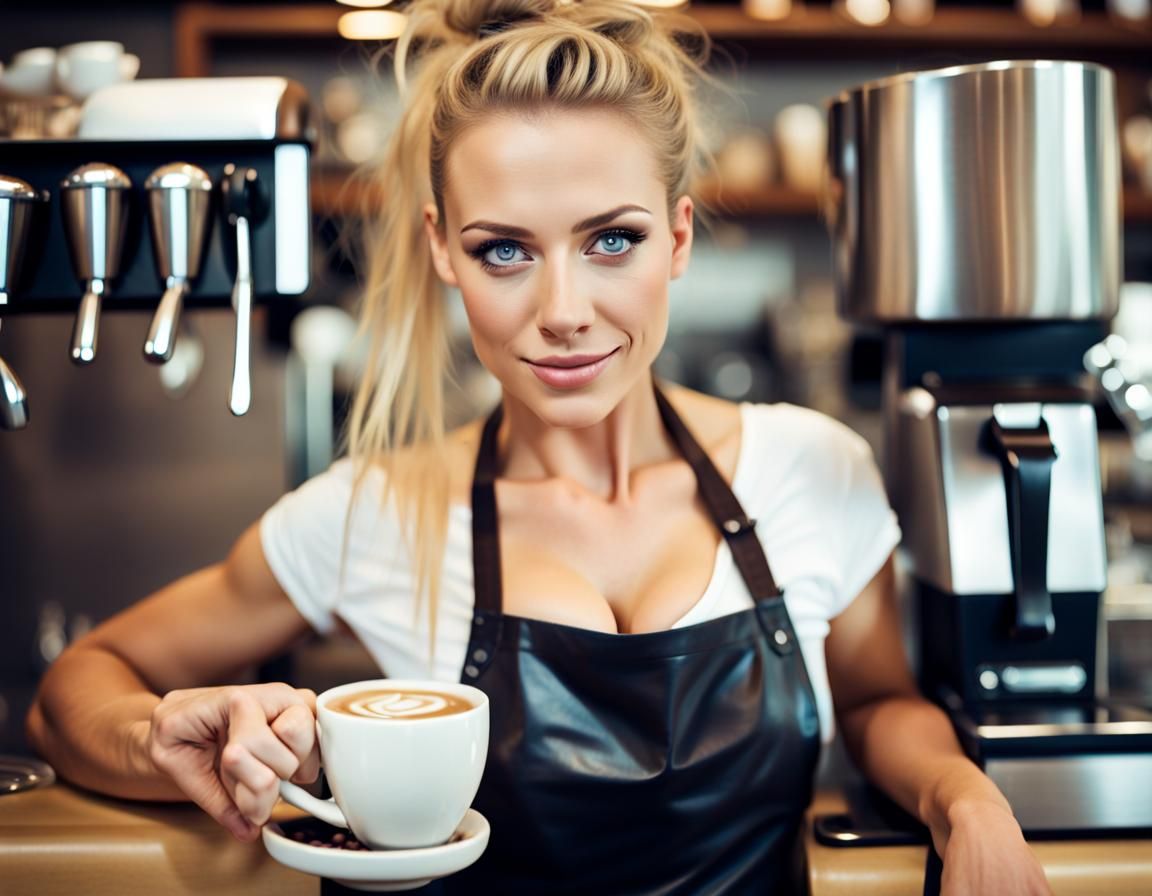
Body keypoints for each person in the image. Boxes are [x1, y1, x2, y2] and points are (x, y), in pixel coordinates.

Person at [27, 1, 1053, 893]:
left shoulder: (809, 468)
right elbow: (81, 680)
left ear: (680, 235)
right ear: (441, 247)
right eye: (505, 249)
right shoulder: (371, 510)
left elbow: (876, 702)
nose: (565, 311)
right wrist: (165, 739)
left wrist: (967, 798)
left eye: (613, 239)